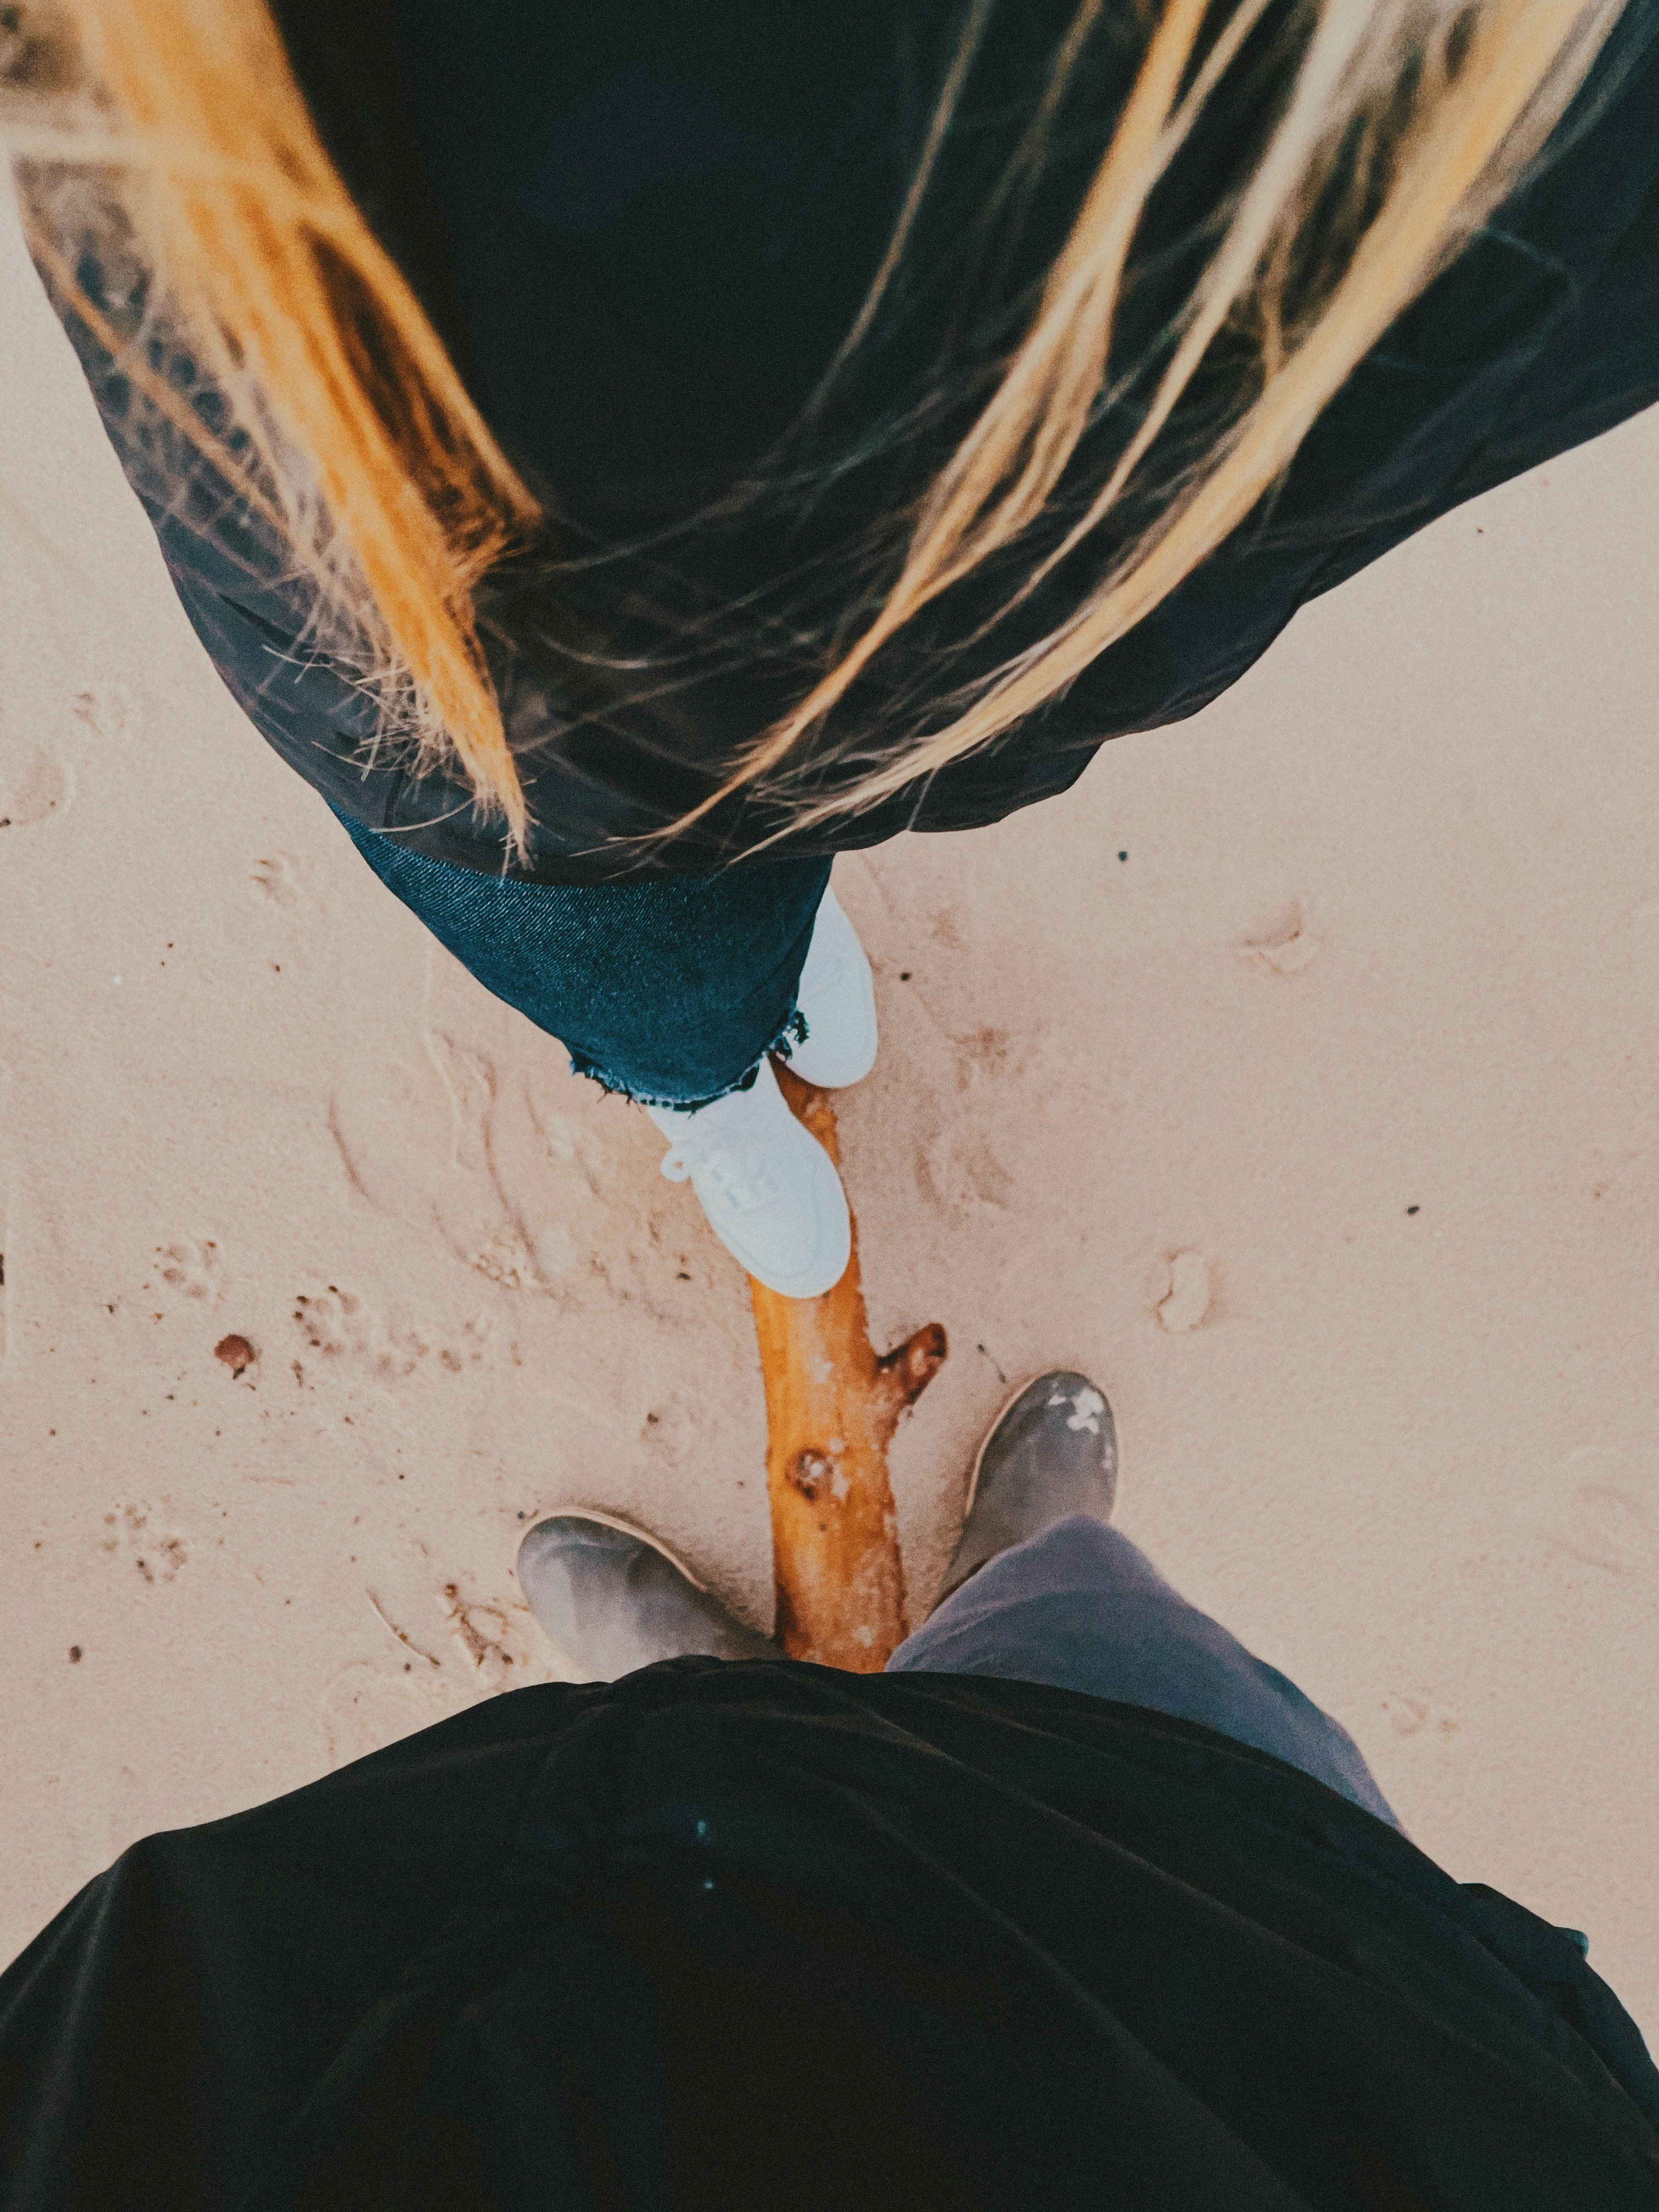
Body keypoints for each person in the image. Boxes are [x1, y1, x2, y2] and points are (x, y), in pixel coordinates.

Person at [6, 0, 1659, 1295]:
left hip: (960, 620)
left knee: (708, 822)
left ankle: (749, 971)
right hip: (438, 631)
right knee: (574, 889)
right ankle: (704, 1077)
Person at [2, 1370, 1655, 2208]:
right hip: (1259, 1991)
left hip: (583, 1937)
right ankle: (994, 1612)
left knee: (758, 1742)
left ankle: (732, 1699)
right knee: (1109, 1648)